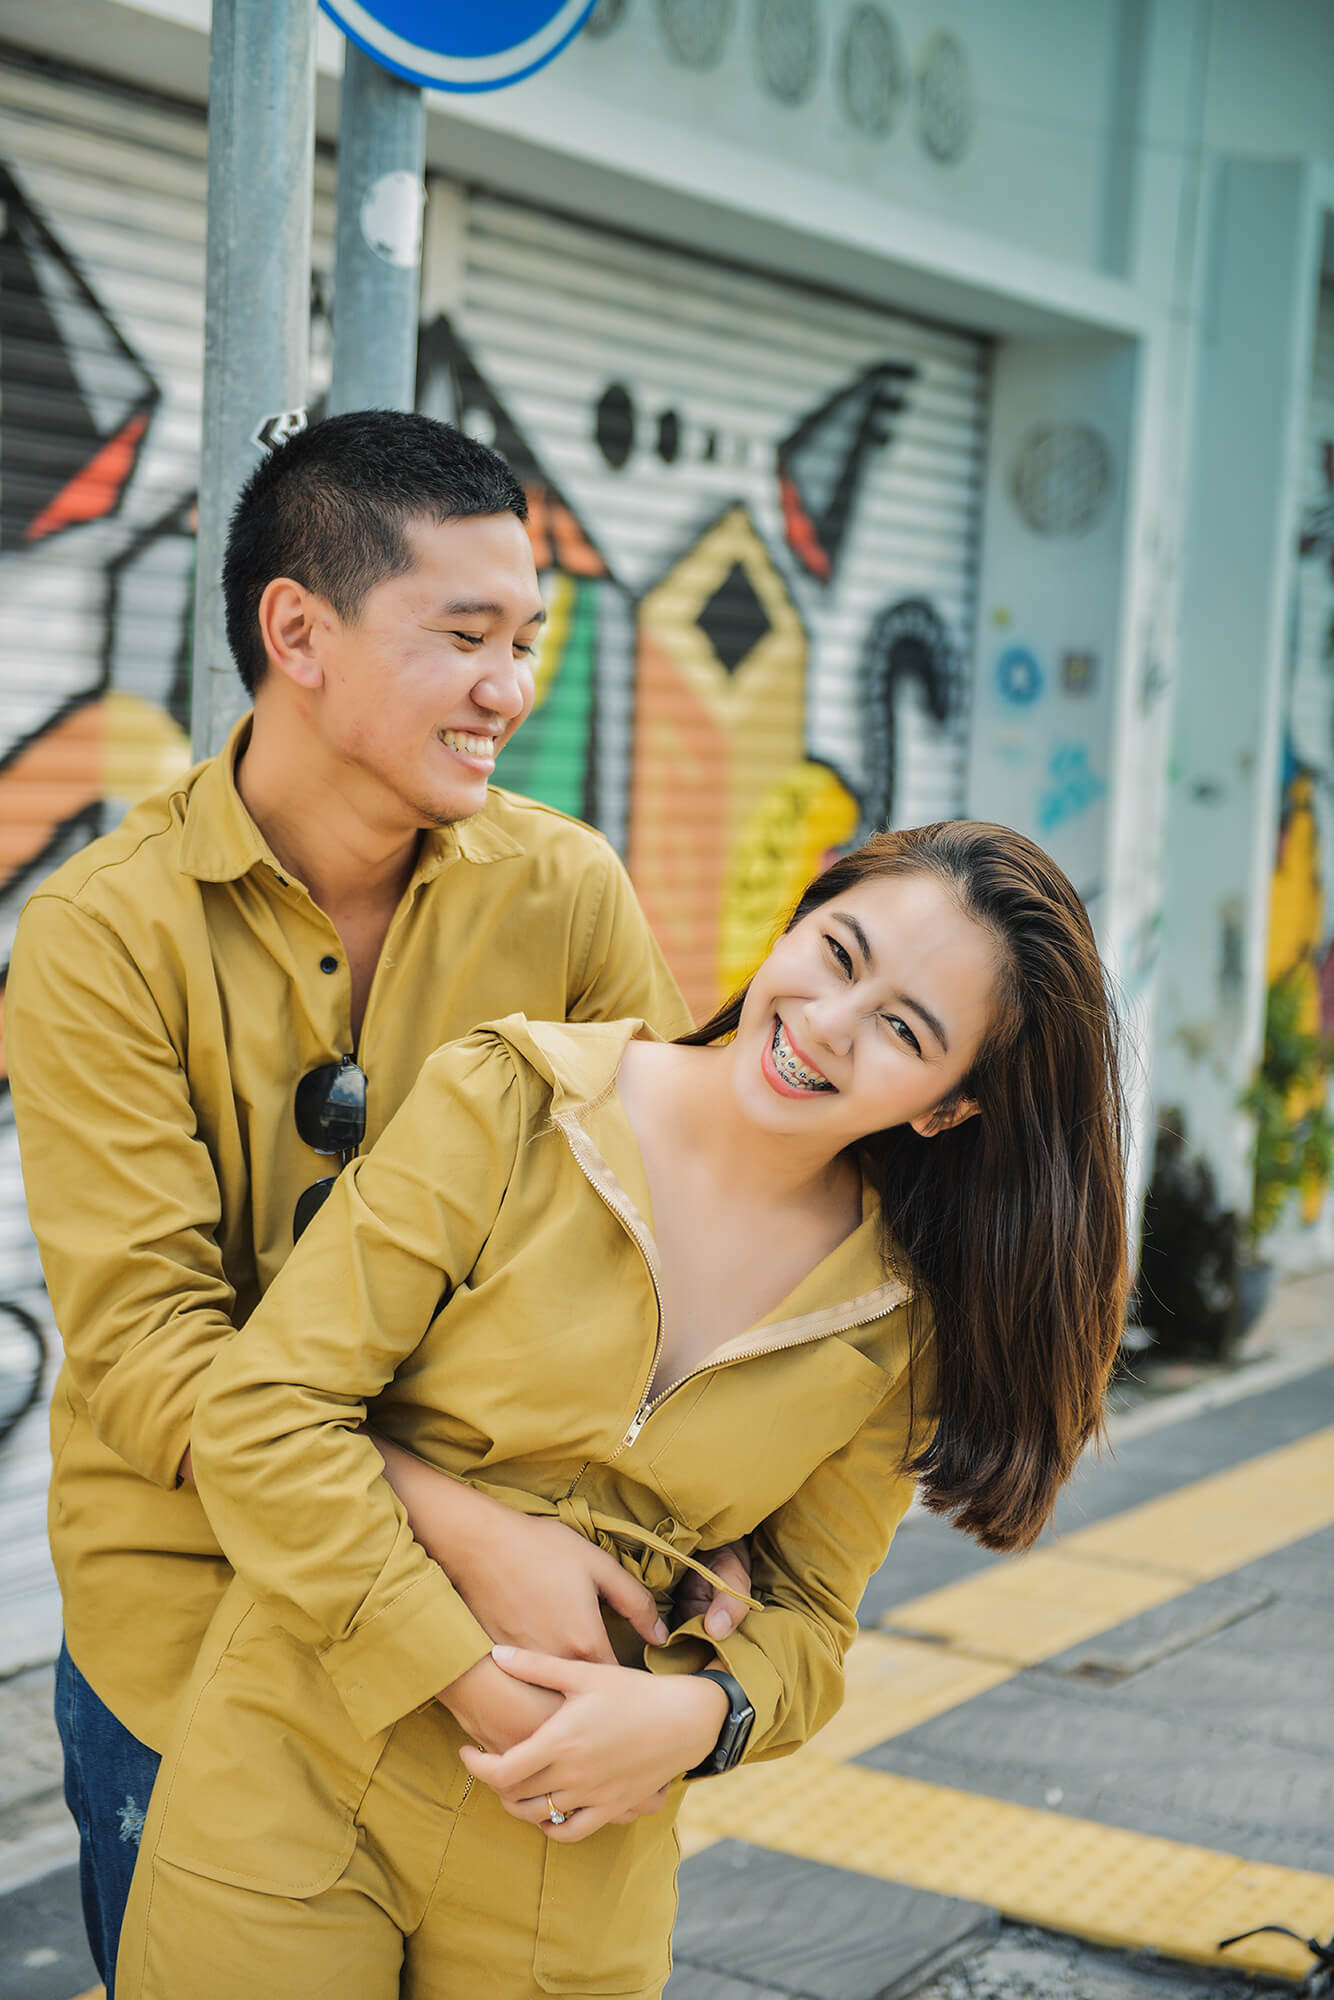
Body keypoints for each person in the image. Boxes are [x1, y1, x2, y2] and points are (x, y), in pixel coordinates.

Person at [114, 820, 1129, 2000]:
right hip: (295, 1753)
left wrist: (698, 1717)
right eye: (839, 953)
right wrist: (472, 1675)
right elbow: (263, 1417)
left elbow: (807, 1622)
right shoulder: (509, 1100)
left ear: (947, 1109)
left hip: (573, 1851)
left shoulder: (892, 1322)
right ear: (796, 918)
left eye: (905, 1030)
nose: (827, 1025)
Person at [5, 411, 754, 1997]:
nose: (514, 689)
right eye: (465, 636)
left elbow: (688, 1229)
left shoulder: (565, 892)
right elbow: (148, 1352)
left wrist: (719, 1536)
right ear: (300, 632)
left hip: (521, 1650)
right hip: (198, 1636)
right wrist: (463, 1524)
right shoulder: (98, 935)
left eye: (528, 640)